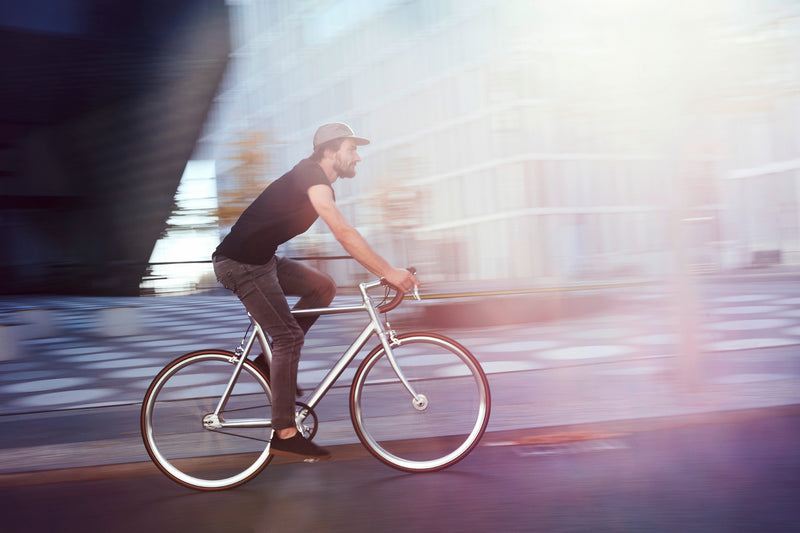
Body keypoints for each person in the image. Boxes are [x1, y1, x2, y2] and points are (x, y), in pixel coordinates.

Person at [212, 123, 418, 460]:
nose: (358, 157)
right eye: (352, 149)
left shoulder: (315, 180)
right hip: (239, 264)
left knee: (323, 286)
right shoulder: (311, 176)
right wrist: (388, 272)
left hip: (261, 260)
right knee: (288, 337)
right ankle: (285, 432)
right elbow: (342, 231)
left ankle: (267, 364)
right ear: (329, 151)